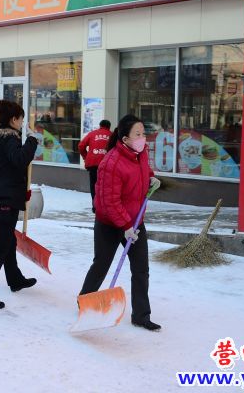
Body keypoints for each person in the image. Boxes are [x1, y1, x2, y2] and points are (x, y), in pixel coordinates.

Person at [79, 114, 162, 331]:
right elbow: (108, 201)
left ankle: (141, 315)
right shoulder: (111, 162)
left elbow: (143, 173)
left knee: (141, 269)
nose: (142, 138)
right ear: (125, 139)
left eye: (144, 133)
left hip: (135, 223)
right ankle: (84, 302)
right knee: (101, 265)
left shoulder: (140, 154)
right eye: (138, 134)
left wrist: (151, 178)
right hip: (109, 223)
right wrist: (125, 226)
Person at [0, 100, 39, 310]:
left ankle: (15, 279)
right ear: (13, 119)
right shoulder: (10, 140)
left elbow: (8, 168)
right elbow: (20, 160)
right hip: (4, 201)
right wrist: (31, 141)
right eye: (21, 119)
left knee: (8, 241)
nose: (22, 123)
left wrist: (22, 190)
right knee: (1, 246)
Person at [78, 119, 112, 210]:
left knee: (94, 185)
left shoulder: (92, 134)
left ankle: (95, 206)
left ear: (100, 125)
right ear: (109, 127)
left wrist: (86, 157)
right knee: (105, 186)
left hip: (93, 164)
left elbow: (81, 146)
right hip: (107, 165)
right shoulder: (112, 135)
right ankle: (104, 206)